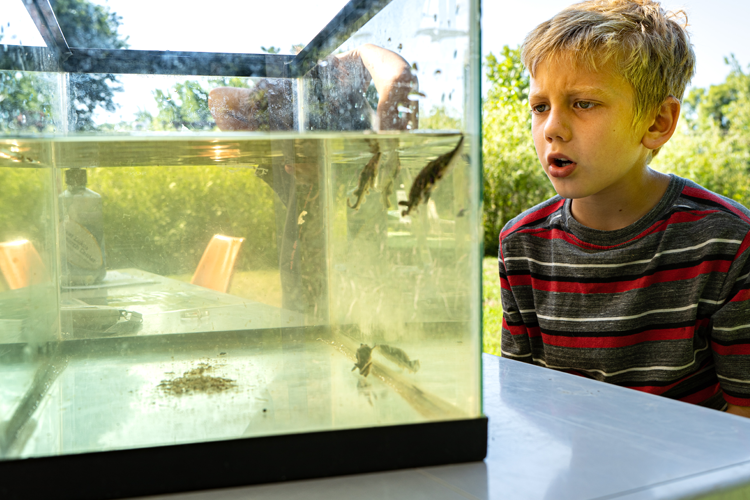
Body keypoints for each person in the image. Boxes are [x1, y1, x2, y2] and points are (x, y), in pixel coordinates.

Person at [499, 0, 750, 417]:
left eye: (583, 103)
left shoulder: (727, 241)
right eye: (540, 106)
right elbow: (521, 398)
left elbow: (744, 414)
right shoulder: (521, 244)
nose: (551, 129)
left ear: (657, 122)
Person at [208, 44, 417, 317]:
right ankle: (303, 326)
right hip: (304, 179)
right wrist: (265, 126)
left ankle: (364, 320)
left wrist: (366, 67)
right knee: (300, 268)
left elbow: (396, 73)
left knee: (364, 260)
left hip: (355, 168)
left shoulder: (342, 77)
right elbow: (218, 99)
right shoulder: (275, 97)